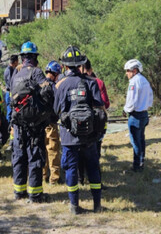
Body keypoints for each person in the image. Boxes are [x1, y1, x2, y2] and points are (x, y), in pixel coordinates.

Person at [54, 46, 104, 214]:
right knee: (93, 169)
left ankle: (74, 206)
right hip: (89, 137)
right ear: (81, 64)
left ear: (65, 66)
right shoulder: (91, 83)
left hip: (69, 137)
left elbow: (56, 110)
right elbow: (99, 107)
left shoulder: (61, 85)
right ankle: (97, 205)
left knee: (71, 170)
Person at [10, 41, 51, 203]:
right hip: (34, 124)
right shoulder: (36, 73)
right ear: (34, 57)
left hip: (18, 123)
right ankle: (35, 195)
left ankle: (19, 191)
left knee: (19, 156)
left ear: (22, 57)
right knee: (34, 156)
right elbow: (47, 90)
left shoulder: (16, 74)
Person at [78, 59, 110, 187]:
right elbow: (105, 103)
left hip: (80, 122)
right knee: (94, 152)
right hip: (95, 122)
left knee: (80, 151)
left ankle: (80, 179)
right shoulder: (97, 82)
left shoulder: (74, 82)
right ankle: (96, 182)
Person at [122, 59, 153, 172]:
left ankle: (137, 166)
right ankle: (141, 162)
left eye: (128, 71)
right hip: (144, 114)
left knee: (135, 142)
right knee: (141, 140)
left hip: (136, 115)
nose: (127, 73)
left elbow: (132, 100)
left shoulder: (134, 82)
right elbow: (150, 98)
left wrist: (126, 109)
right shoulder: (144, 80)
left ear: (134, 70)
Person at [42, 61, 62, 185]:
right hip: (51, 124)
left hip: (40, 124)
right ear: (55, 74)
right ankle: (54, 179)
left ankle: (43, 175)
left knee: (42, 149)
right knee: (53, 150)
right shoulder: (53, 88)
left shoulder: (39, 85)